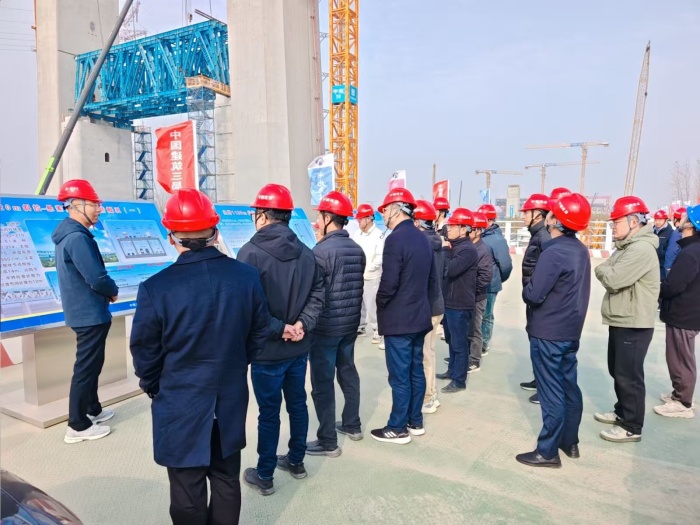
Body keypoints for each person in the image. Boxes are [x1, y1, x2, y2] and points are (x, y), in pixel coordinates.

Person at [130, 189, 271, 524]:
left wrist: (155, 385)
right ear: (216, 232)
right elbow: (259, 334)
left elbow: (145, 351)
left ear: (171, 237)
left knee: (186, 487)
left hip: (179, 400)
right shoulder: (246, 277)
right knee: (226, 479)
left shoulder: (156, 288)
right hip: (229, 396)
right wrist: (235, 365)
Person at [237, 184, 324, 495]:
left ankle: (265, 474)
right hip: (299, 347)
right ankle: (297, 461)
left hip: (267, 351)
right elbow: (318, 293)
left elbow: (249, 307)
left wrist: (281, 328)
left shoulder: (249, 253)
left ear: (262, 215)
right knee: (297, 404)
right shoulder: (307, 252)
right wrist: (301, 324)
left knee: (269, 413)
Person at [516, 193, 591, 469]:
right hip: (570, 330)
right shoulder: (579, 249)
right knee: (569, 386)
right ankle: (570, 442)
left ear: (555, 220)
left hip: (549, 331)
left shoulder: (554, 251)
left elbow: (533, 294)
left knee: (551, 392)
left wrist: (527, 286)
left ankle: (547, 451)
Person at [52, 179, 119, 445]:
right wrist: (112, 290)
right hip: (88, 312)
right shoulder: (77, 238)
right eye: (94, 204)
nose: (99, 209)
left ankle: (93, 409)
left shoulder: (71, 234)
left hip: (85, 310)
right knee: (86, 367)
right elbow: (96, 277)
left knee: (92, 364)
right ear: (76, 205)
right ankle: (77, 425)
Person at [372, 187, 438, 444]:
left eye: (385, 210)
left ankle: (397, 427)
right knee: (415, 371)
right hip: (419, 317)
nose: (384, 215)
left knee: (399, 376)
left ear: (397, 209)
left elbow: (389, 283)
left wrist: (380, 304)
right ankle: (415, 420)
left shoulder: (395, 240)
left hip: (399, 319)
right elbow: (432, 281)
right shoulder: (423, 238)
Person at [594, 196, 659, 443]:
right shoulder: (626, 247)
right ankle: (622, 411)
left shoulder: (640, 249)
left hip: (634, 322)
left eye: (616, 222)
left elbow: (612, 278)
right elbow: (606, 269)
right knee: (617, 369)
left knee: (629, 375)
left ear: (634, 221)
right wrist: (606, 269)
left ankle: (632, 426)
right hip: (623, 318)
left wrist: (605, 270)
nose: (613, 227)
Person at [308, 191, 365, 456]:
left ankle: (328, 441)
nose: (318, 222)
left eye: (320, 216)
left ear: (329, 218)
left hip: (325, 328)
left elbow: (314, 293)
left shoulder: (320, 252)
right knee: (348, 372)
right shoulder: (357, 249)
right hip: (349, 325)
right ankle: (352, 424)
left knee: (322, 383)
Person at [654, 205, 700, 419]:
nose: (680, 221)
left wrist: (657, 291)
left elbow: (675, 285)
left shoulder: (691, 252)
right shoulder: (692, 249)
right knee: (679, 356)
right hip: (687, 312)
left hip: (684, 313)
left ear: (691, 225)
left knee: (680, 358)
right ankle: (679, 393)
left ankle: (683, 402)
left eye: (684, 218)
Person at [436, 208, 478, 393]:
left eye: (453, 226)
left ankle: (459, 380)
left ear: (463, 229)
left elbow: (451, 270)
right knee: (451, 341)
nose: (449, 229)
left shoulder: (468, 250)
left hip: (460, 304)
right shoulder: (456, 247)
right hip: (450, 301)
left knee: (460, 344)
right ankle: (452, 370)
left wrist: (445, 250)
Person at [518, 193, 553, 404]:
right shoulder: (537, 234)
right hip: (533, 298)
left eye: (526, 212)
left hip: (539, 300)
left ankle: (544, 389)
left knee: (541, 346)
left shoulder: (544, 237)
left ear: (538, 214)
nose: (523, 216)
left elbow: (546, 272)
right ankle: (538, 379)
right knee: (534, 342)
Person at [412, 200, 445, 414]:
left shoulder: (424, 245)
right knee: (429, 351)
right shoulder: (437, 242)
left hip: (427, 306)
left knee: (425, 354)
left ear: (418, 222)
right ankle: (430, 393)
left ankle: (428, 397)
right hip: (436, 303)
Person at [476, 203, 513, 355]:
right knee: (477, 316)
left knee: (486, 315)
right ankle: (476, 343)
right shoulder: (480, 236)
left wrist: (497, 279)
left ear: (490, 220)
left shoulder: (496, 240)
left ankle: (483, 344)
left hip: (490, 285)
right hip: (478, 283)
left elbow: (506, 265)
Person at [351, 203, 384, 344]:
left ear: (369, 218)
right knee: (359, 303)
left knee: (372, 305)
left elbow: (380, 256)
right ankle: (361, 326)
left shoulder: (379, 235)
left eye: (360, 219)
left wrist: (369, 268)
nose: (358, 222)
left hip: (372, 276)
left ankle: (377, 330)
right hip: (358, 275)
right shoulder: (357, 234)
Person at [467, 212, 494, 373]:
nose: (467, 231)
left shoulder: (483, 250)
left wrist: (470, 290)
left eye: (470, 229)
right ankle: (464, 356)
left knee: (475, 328)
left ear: (478, 231)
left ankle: (474, 360)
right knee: (466, 328)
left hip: (477, 296)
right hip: (467, 295)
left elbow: (485, 277)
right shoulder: (469, 247)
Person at [664, 207, 686, 275]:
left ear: (675, 219)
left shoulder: (677, 233)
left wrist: (667, 267)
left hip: (676, 266)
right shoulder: (691, 232)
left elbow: (672, 251)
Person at [653, 209, 672, 280]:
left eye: (660, 220)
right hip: (652, 263)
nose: (657, 222)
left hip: (663, 265)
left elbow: (670, 250)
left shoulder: (670, 232)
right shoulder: (652, 231)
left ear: (665, 220)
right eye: (656, 220)